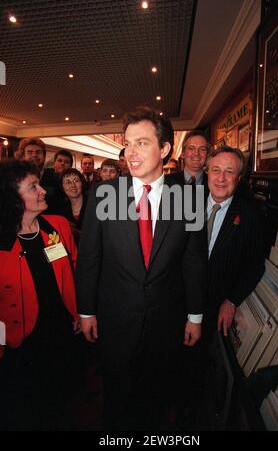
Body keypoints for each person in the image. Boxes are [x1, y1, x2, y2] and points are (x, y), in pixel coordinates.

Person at [76, 107, 207, 430]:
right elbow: (90, 257)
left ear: (164, 149)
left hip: (166, 322)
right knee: (117, 402)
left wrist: (195, 316)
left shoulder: (187, 199)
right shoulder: (105, 194)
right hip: (115, 320)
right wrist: (86, 310)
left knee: (157, 402)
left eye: (142, 143)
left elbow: (193, 261)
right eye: (128, 144)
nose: (130, 153)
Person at [0, 159, 80, 430]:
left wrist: (80, 311)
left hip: (61, 331)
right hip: (19, 343)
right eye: (33, 187)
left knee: (62, 402)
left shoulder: (58, 226)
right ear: (12, 197)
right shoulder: (1, 243)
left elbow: (74, 270)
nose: (43, 190)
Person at [205, 146, 265, 338]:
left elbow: (255, 267)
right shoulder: (184, 206)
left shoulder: (251, 217)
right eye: (216, 170)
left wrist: (232, 301)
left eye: (229, 171)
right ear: (207, 172)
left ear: (238, 178)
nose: (221, 178)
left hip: (214, 313)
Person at [17, 138, 65, 215]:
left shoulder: (56, 177)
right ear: (23, 156)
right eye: (30, 152)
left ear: (43, 156)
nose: (34, 155)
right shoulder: (16, 178)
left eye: (38, 152)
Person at [172, 129, 210, 198]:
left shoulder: (215, 184)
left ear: (207, 154)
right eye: (191, 148)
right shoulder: (167, 183)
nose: (196, 153)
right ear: (183, 153)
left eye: (202, 149)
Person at [61, 167, 88, 245]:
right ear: (62, 187)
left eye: (76, 181)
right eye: (68, 182)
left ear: (82, 183)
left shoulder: (93, 205)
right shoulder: (61, 209)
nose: (73, 185)